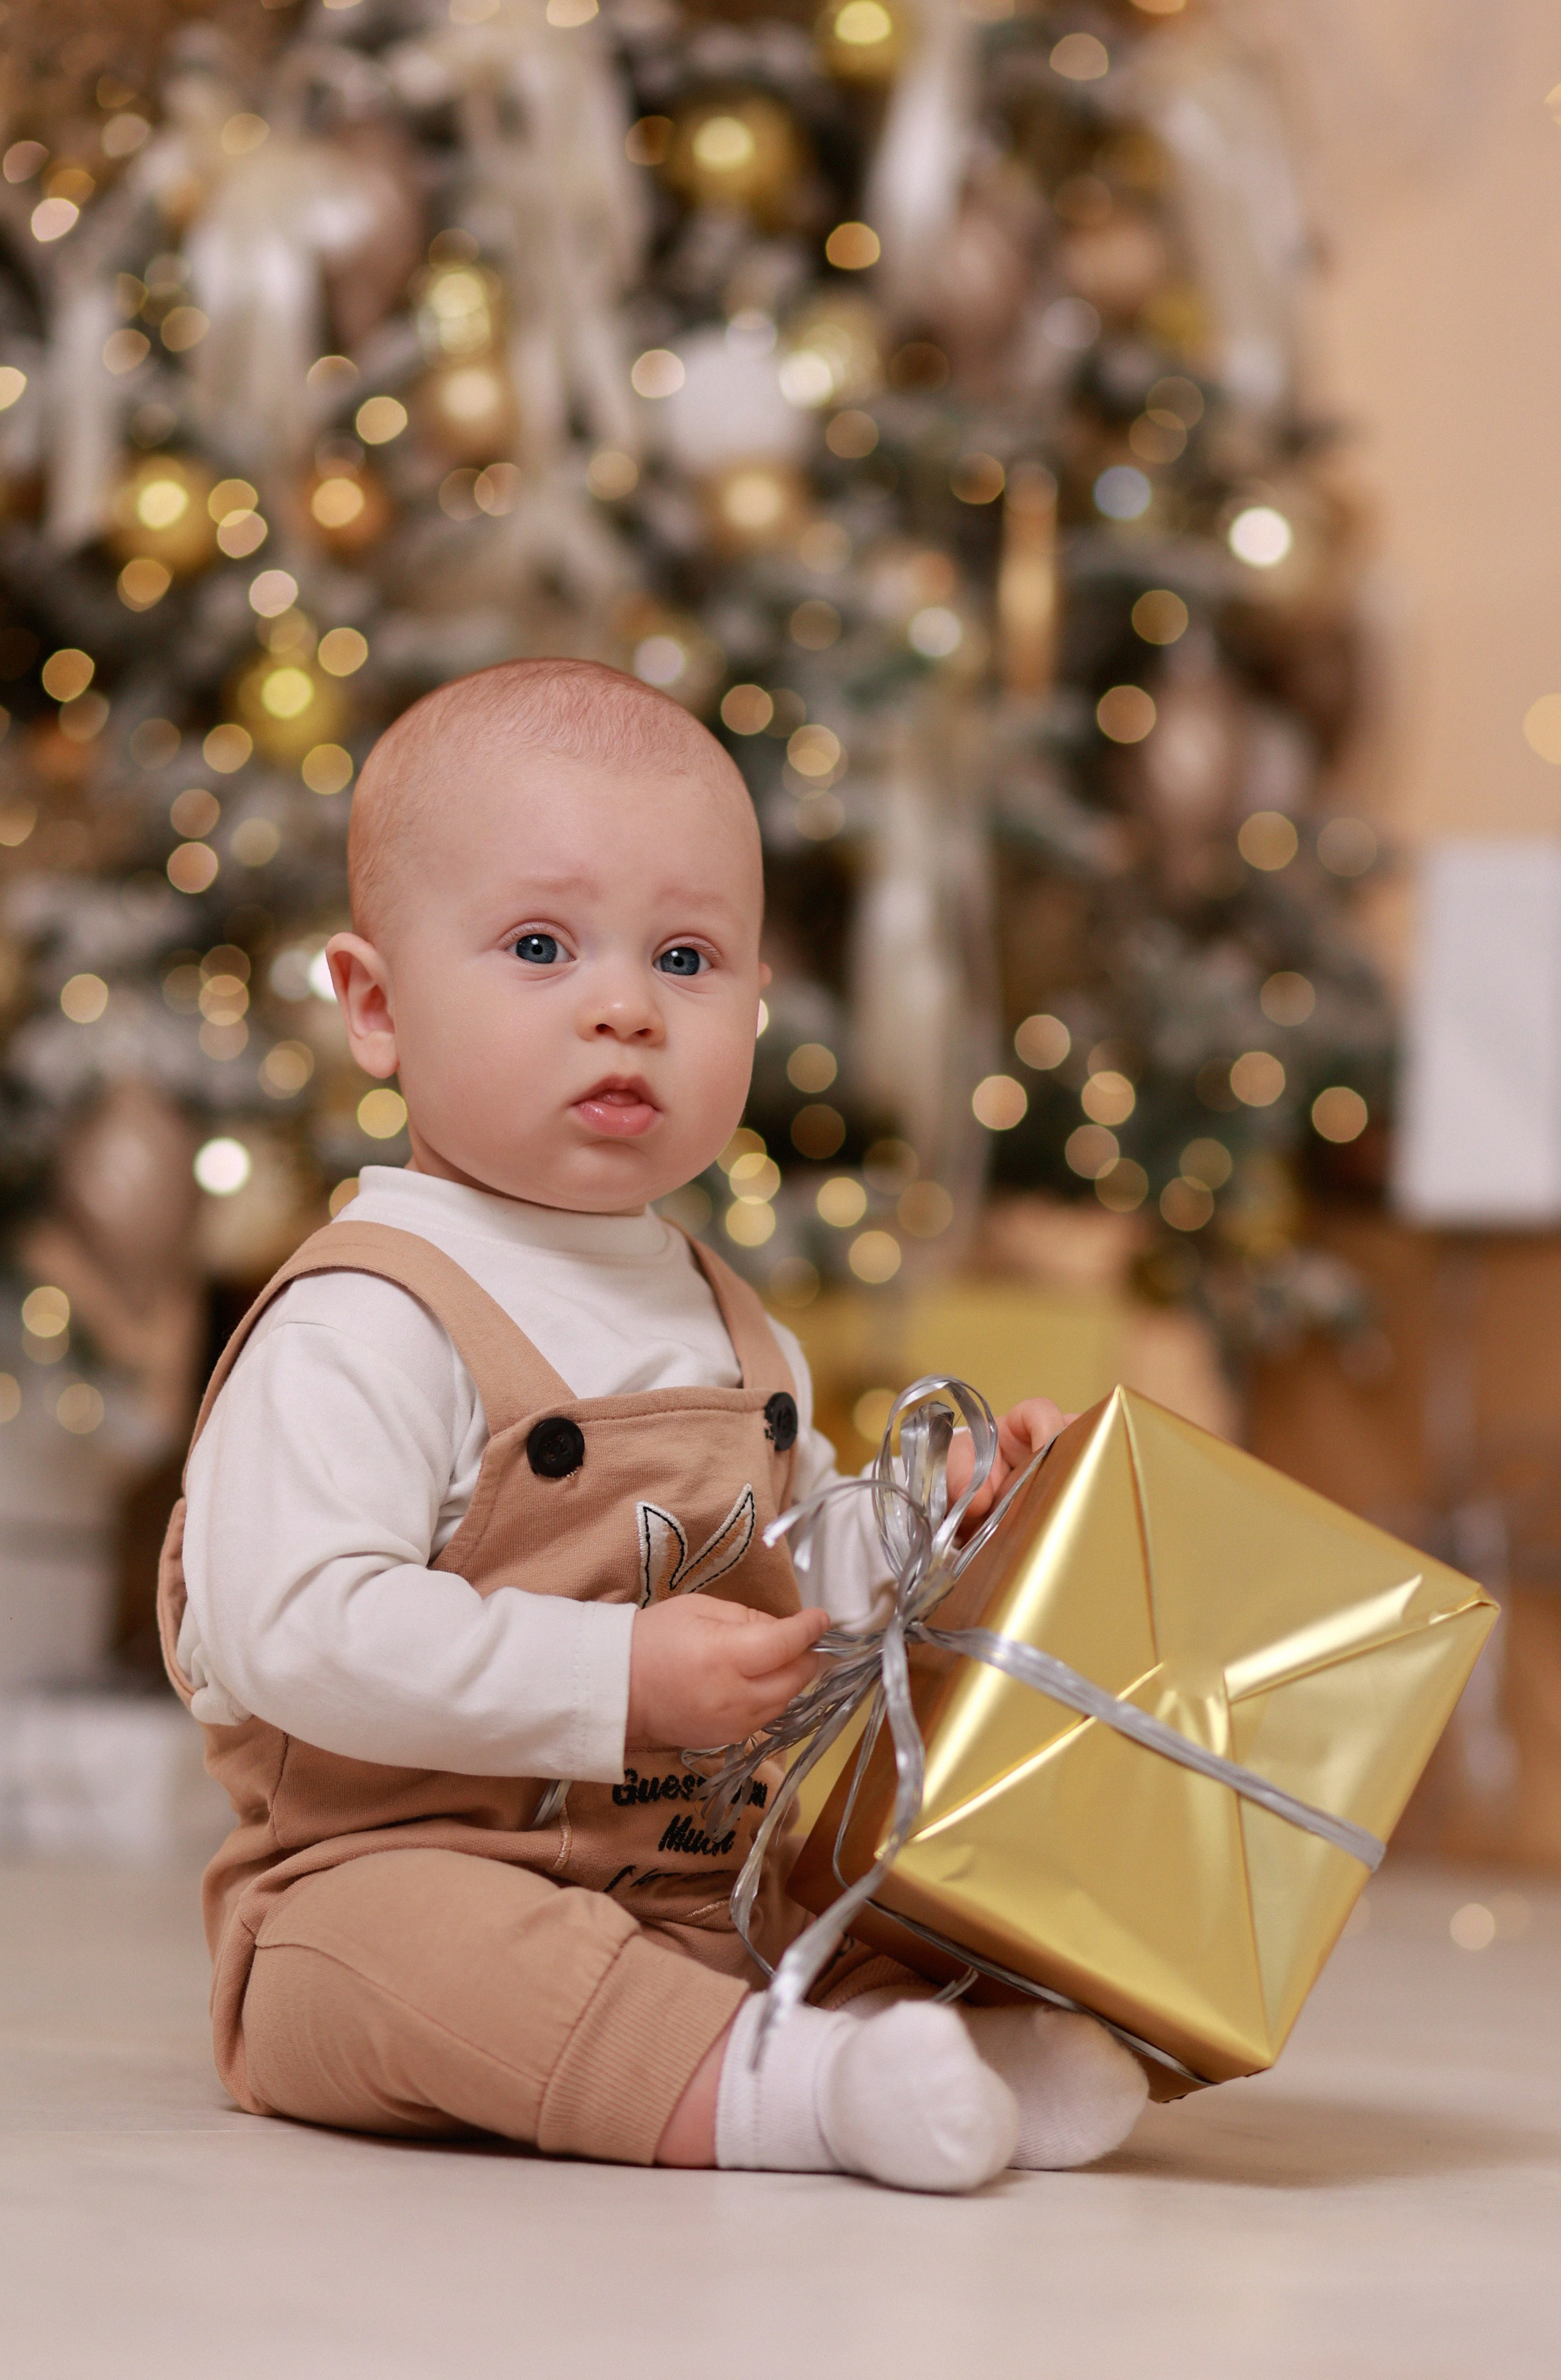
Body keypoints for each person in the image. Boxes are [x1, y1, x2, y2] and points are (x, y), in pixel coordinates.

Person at [160, 658, 1148, 2191]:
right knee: (425, 1952)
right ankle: (796, 2093)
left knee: (850, 1883)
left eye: (686, 958)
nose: (623, 1006)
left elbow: (790, 1575)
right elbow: (293, 1629)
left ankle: (924, 2035)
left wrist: (946, 1524)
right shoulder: (365, 1318)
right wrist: (613, 1677)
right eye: (539, 946)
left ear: (754, 1005)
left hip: (688, 1881)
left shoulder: (730, 1322)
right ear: (377, 1006)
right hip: (384, 1880)